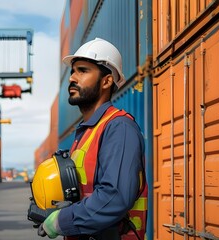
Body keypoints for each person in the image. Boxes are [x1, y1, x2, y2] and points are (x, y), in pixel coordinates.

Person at [37, 38, 147, 239]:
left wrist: (61, 221)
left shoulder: (119, 128)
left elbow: (114, 197)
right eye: (72, 71)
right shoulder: (86, 132)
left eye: (83, 71)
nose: (72, 78)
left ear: (106, 81)